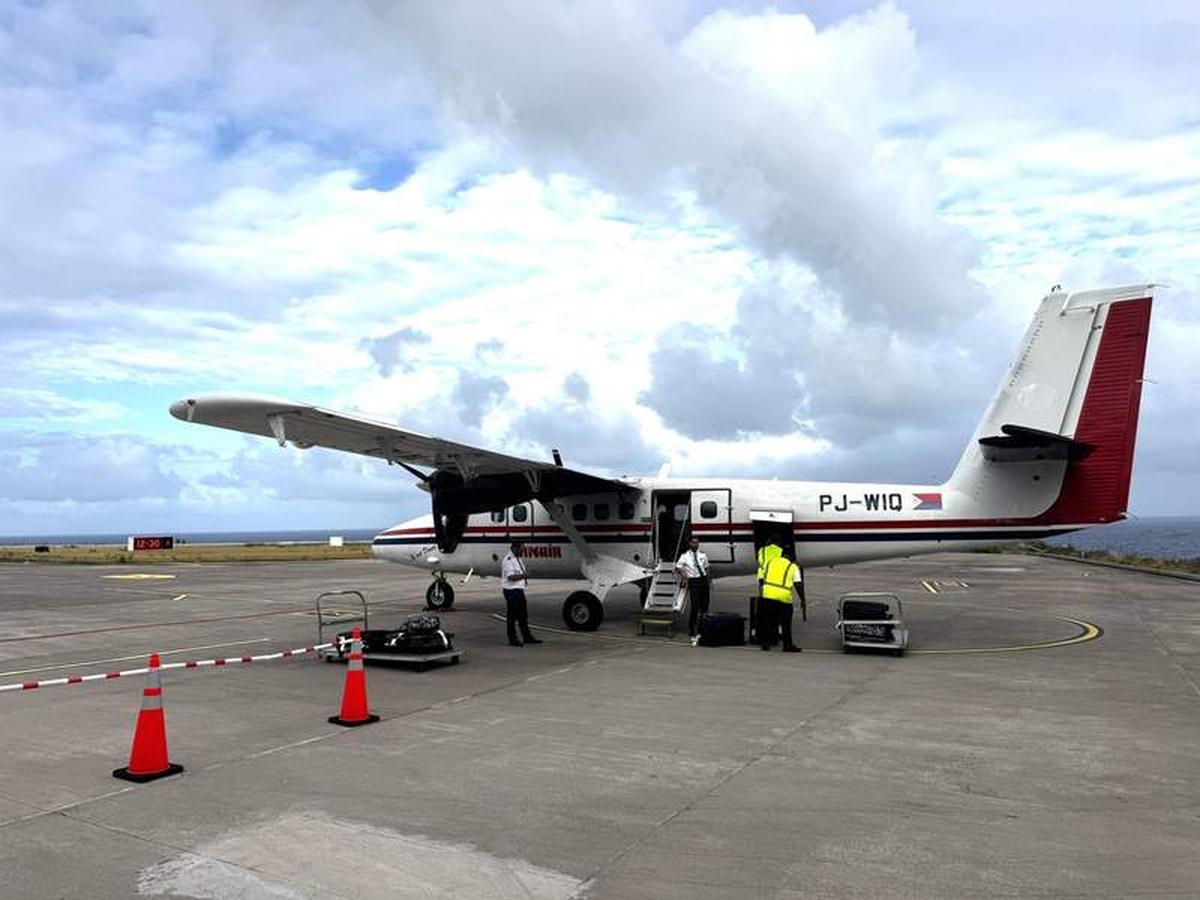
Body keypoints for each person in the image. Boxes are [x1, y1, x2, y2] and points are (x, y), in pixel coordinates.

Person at [501, 540, 542, 646]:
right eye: (521, 549)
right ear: (515, 548)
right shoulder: (508, 560)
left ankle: (527, 636)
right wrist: (526, 575)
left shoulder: (517, 559)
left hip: (518, 590)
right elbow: (511, 577)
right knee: (512, 616)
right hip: (511, 591)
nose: (523, 551)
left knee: (523, 615)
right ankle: (512, 638)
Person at [759, 553, 803, 652]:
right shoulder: (793, 567)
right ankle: (787, 645)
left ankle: (765, 643)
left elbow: (761, 578)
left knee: (767, 621)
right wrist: (802, 599)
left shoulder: (769, 562)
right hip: (784, 598)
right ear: (792, 559)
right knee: (786, 623)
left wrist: (764, 589)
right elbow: (798, 584)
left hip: (768, 595)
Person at [675, 535, 710, 641]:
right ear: (690, 544)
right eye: (694, 542)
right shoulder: (685, 556)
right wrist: (684, 575)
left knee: (705, 606)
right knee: (695, 606)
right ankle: (692, 628)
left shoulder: (703, 555)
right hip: (694, 581)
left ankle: (703, 628)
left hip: (703, 581)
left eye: (697, 542)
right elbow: (678, 566)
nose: (696, 544)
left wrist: (708, 579)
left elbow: (707, 567)